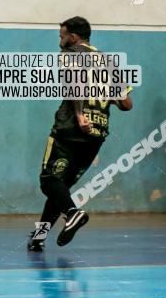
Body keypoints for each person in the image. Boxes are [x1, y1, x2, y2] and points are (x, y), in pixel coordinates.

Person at [28, 17, 133, 251]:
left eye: (61, 35)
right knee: (61, 186)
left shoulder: (71, 53)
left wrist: (80, 114)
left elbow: (73, 84)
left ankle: (74, 214)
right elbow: (126, 104)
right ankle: (39, 236)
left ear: (73, 37)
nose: (60, 41)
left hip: (71, 129)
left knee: (49, 181)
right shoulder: (107, 61)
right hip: (97, 133)